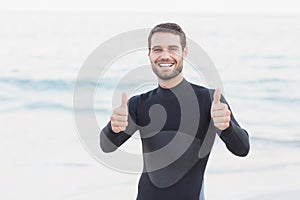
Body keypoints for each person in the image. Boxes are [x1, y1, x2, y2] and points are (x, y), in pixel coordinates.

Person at [100, 23, 250, 200]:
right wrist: (114, 128)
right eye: (157, 49)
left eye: (172, 49)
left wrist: (227, 127)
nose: (165, 56)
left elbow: (242, 149)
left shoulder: (208, 100)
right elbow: (107, 146)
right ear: (149, 55)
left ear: (184, 52)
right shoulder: (139, 104)